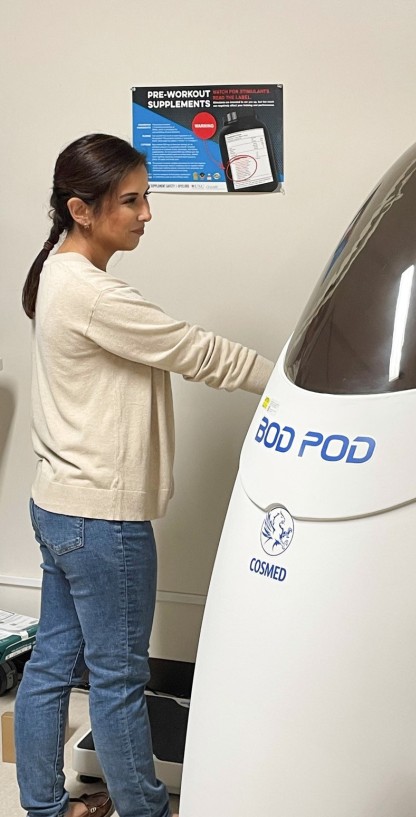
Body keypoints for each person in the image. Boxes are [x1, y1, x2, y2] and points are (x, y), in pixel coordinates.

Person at [15, 133, 274, 817]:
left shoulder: (55, 272)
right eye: (131, 200)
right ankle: (147, 811)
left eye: (146, 195)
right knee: (119, 678)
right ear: (82, 208)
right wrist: (297, 385)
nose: (146, 213)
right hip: (103, 519)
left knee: (50, 666)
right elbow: (198, 350)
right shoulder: (92, 291)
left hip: (59, 505)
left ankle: (43, 806)